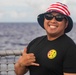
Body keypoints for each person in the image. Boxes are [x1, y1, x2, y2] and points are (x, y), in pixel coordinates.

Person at [14, 2, 76, 75]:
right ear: (44, 20)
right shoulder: (35, 42)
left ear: (66, 24)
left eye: (59, 17)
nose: (53, 21)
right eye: (49, 16)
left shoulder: (70, 48)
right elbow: (18, 73)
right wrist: (21, 63)